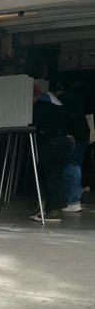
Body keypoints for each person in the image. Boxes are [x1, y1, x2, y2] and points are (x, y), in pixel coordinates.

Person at [31, 85, 77, 222]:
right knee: (57, 175)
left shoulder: (40, 105)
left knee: (51, 176)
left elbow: (35, 123)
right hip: (67, 140)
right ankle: (54, 208)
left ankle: (55, 210)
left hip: (52, 141)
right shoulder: (54, 102)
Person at [53, 79, 90, 213]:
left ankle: (72, 200)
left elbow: (66, 119)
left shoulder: (64, 100)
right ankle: (74, 197)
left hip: (75, 136)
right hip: (83, 134)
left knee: (71, 167)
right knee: (76, 165)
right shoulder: (74, 97)